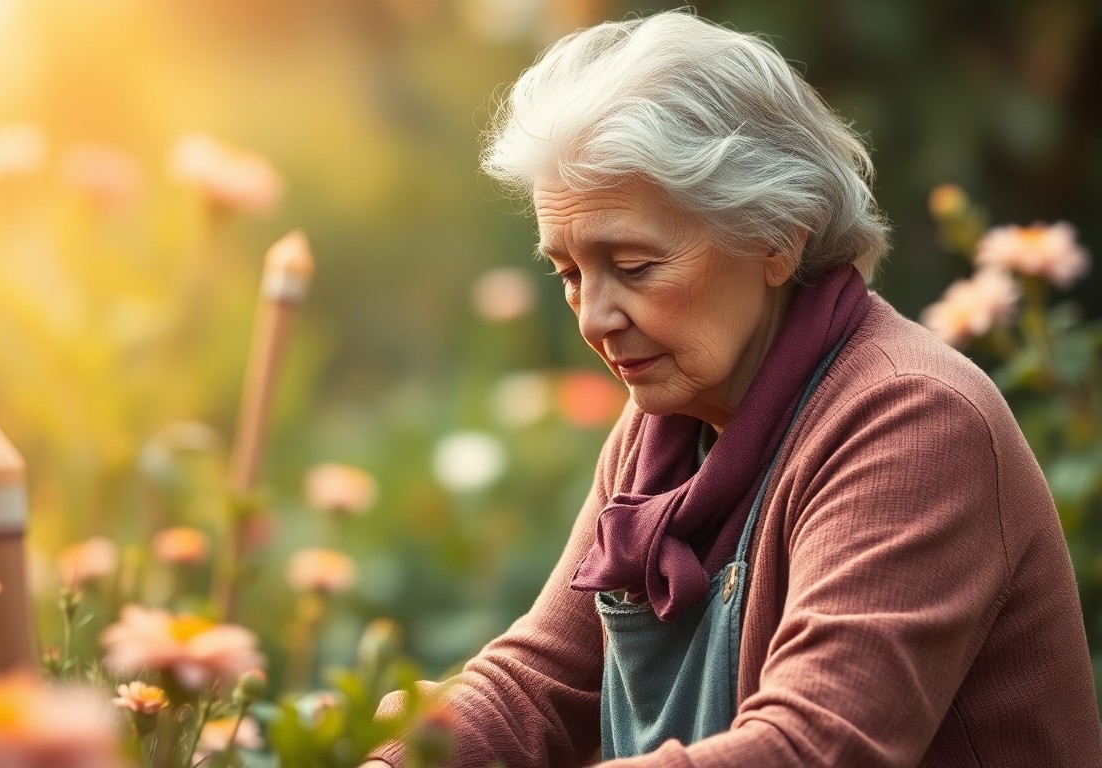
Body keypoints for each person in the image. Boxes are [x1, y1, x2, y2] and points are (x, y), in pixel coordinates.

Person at [363, 9, 1102, 768]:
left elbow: (809, 749)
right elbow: (539, 684)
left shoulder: (911, 422)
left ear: (777, 236)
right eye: (569, 274)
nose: (595, 317)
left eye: (637, 265)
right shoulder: (667, 427)